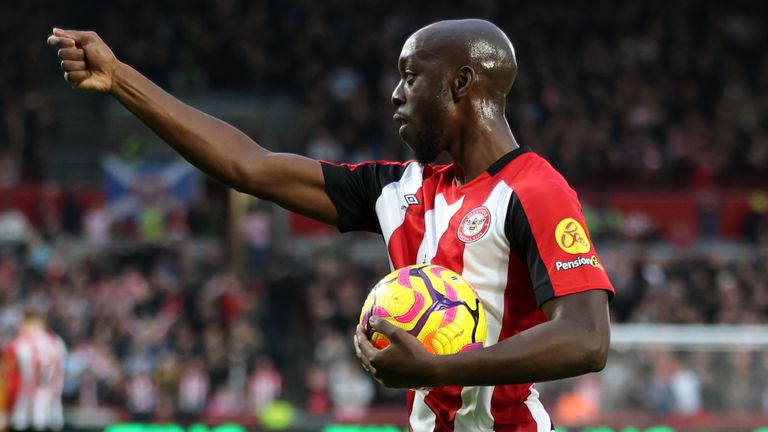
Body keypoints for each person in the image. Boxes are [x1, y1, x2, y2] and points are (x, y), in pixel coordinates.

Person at [47, 19, 614, 431]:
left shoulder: (535, 190)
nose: (396, 95)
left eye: (411, 77)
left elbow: (587, 338)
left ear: (461, 83)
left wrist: (439, 365)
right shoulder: (403, 190)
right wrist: (120, 79)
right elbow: (249, 166)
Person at [0, 309, 67, 432]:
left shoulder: (19, 344)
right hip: (52, 409)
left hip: (23, 409)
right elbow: (60, 372)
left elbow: (8, 376)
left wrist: (4, 409)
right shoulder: (57, 342)